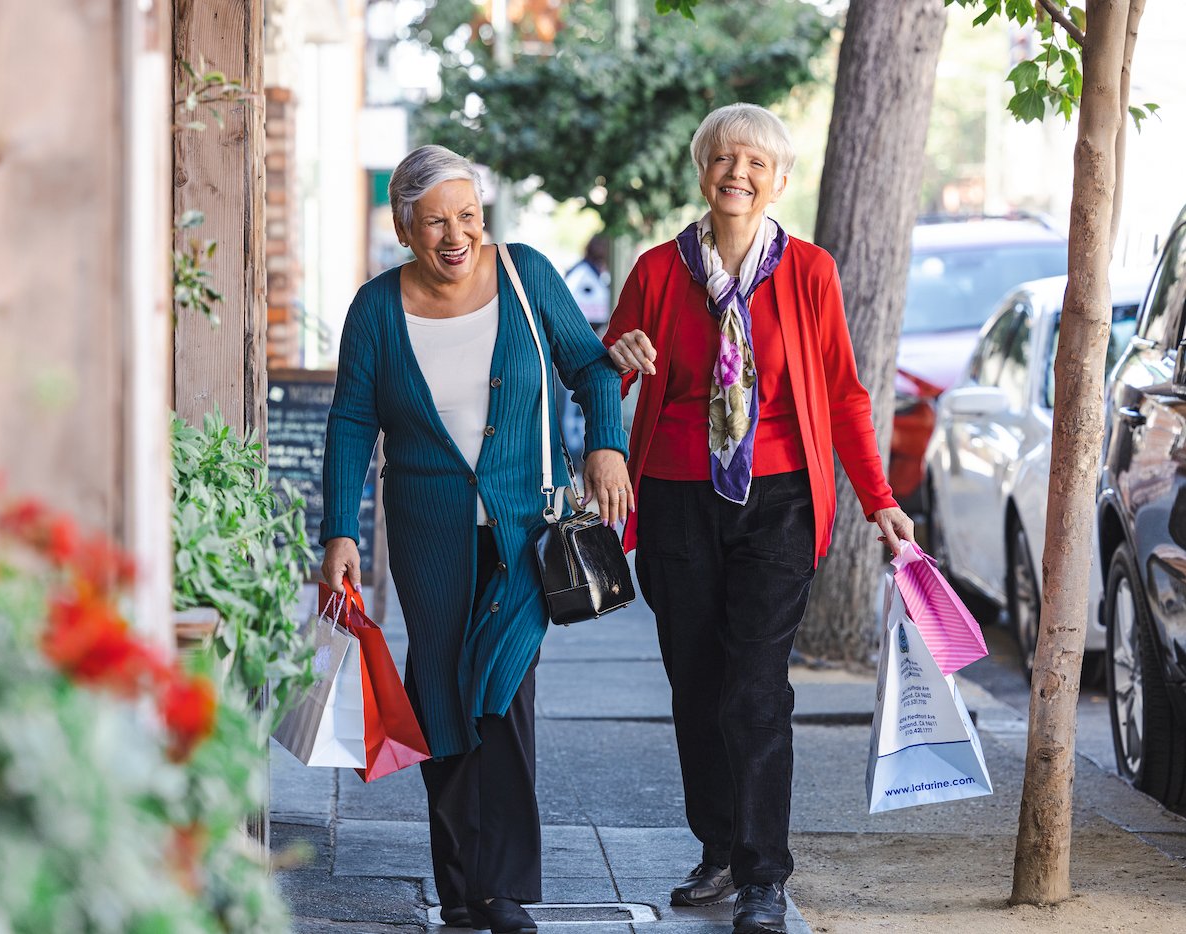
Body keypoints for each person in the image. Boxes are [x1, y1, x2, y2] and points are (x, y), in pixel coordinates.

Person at [603, 103, 916, 934]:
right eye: (721, 159)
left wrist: (878, 497)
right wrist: (612, 361)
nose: (736, 173)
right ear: (702, 172)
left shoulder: (809, 272)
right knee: (697, 684)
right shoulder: (657, 271)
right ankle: (718, 848)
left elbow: (846, 395)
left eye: (754, 163)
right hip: (674, 495)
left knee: (754, 688)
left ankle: (764, 875)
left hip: (778, 500)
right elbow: (604, 380)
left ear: (778, 181)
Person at [320, 145, 631, 934]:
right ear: (403, 227)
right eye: (436, 222)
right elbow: (353, 420)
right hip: (428, 536)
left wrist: (606, 443)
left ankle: (503, 891)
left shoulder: (525, 275)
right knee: (442, 694)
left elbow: (591, 368)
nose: (456, 236)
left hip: (527, 529)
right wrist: (338, 531)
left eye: (468, 217)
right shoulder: (376, 309)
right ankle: (459, 887)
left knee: (500, 689)